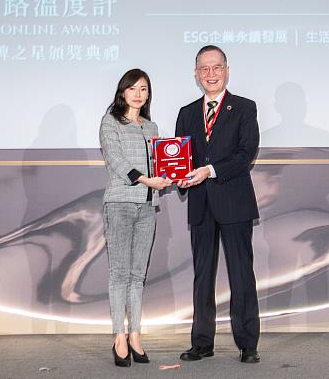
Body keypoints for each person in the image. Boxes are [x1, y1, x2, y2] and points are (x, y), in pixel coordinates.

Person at [175, 45, 261, 364]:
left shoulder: (244, 108)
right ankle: (202, 342)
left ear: (226, 70)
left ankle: (248, 343)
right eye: (204, 68)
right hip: (201, 204)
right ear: (195, 73)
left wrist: (209, 171)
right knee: (202, 276)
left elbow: (246, 153)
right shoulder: (186, 113)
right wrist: (181, 178)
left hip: (234, 202)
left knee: (241, 274)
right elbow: (181, 159)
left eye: (216, 67)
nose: (210, 74)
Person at [99, 68, 171, 367]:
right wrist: (145, 179)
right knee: (119, 274)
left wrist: (169, 175)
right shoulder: (110, 121)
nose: (138, 94)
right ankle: (119, 337)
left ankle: (135, 336)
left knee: (138, 276)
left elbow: (160, 162)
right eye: (133, 88)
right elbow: (115, 160)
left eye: (144, 89)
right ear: (123, 91)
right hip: (120, 203)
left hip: (147, 205)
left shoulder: (151, 127)